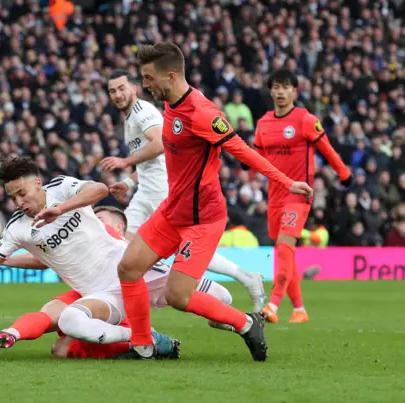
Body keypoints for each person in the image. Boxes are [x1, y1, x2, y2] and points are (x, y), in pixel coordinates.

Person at [0, 157, 231, 359]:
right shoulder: (17, 228)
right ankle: (146, 338)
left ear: (37, 183)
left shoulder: (62, 188)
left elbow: (99, 190)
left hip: (133, 269)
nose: (18, 201)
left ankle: (243, 324)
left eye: (22, 192)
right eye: (12, 196)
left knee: (223, 299)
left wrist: (61, 209)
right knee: (69, 324)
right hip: (100, 293)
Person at [115, 42, 313, 361]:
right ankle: (142, 347)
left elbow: (243, 150)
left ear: (170, 75)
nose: (145, 85)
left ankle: (246, 323)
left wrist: (288, 182)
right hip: (171, 212)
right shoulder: (171, 105)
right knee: (128, 268)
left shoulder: (202, 112)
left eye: (149, 78)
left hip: (202, 219)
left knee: (177, 296)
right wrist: (130, 178)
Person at [102, 69, 266, 311]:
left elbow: (159, 144)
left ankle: (235, 281)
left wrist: (125, 162)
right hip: (145, 193)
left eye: (121, 88)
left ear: (134, 88)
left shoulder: (143, 112)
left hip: (164, 191)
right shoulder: (129, 120)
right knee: (125, 251)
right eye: (112, 91)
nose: (117, 94)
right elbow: (151, 162)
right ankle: (135, 305)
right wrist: (128, 182)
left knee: (181, 248)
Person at [253, 69, 351, 324]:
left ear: (295, 91)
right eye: (276, 87)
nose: (280, 92)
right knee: (285, 253)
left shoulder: (305, 120)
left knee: (285, 247)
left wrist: (343, 173)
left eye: (285, 87)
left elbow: (327, 149)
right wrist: (246, 163)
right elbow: (256, 151)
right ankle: (299, 309)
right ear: (271, 91)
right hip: (274, 195)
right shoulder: (263, 122)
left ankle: (272, 304)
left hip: (298, 195)